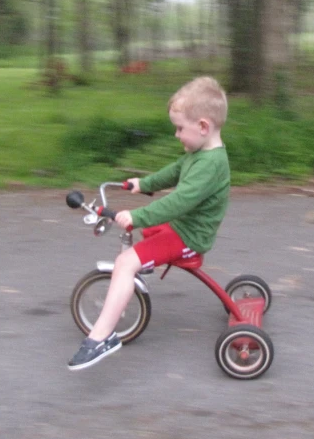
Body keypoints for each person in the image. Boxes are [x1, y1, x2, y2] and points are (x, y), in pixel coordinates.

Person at [68, 76, 231, 370]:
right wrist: (142, 183)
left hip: (189, 238)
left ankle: (102, 337)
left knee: (126, 262)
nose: (176, 135)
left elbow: (179, 201)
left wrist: (137, 215)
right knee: (142, 240)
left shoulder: (210, 165)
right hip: (183, 228)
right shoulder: (200, 154)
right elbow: (173, 172)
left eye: (180, 128)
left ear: (203, 126)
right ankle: (129, 280)